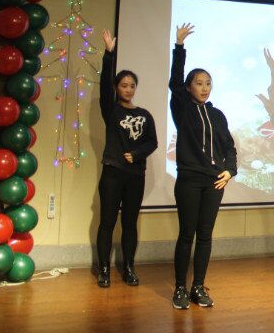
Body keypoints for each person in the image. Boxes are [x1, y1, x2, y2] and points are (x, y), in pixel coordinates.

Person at [168, 23, 238, 310]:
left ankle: (198, 286)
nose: (204, 88)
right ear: (189, 87)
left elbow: (229, 147)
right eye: (199, 83)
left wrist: (230, 170)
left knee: (205, 236)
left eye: (208, 83)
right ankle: (180, 288)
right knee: (187, 235)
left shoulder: (217, 114)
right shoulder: (182, 108)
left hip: (214, 182)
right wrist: (179, 48)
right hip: (189, 180)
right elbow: (174, 82)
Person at [95, 30, 158, 288]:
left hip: (135, 176)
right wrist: (108, 54)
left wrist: (137, 154)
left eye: (132, 85)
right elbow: (104, 85)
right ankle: (103, 270)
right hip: (113, 173)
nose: (128, 89)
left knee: (130, 224)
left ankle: (129, 267)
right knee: (107, 222)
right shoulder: (111, 110)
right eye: (123, 85)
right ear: (116, 88)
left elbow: (152, 142)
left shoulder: (145, 114)